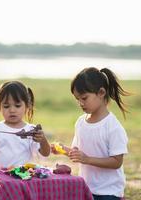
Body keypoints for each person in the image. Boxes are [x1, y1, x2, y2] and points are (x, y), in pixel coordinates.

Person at [52, 67, 129, 200]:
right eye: (77, 99)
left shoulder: (112, 127)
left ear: (101, 92)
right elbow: (78, 153)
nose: (80, 103)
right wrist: (62, 150)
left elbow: (116, 162)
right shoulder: (81, 122)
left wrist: (87, 159)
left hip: (109, 192)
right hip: (86, 188)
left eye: (84, 98)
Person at [0, 80, 51, 169]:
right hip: (0, 175)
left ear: (27, 106)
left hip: (23, 177)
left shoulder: (31, 130)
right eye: (6, 106)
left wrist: (42, 140)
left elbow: (45, 153)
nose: (12, 110)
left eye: (17, 106)